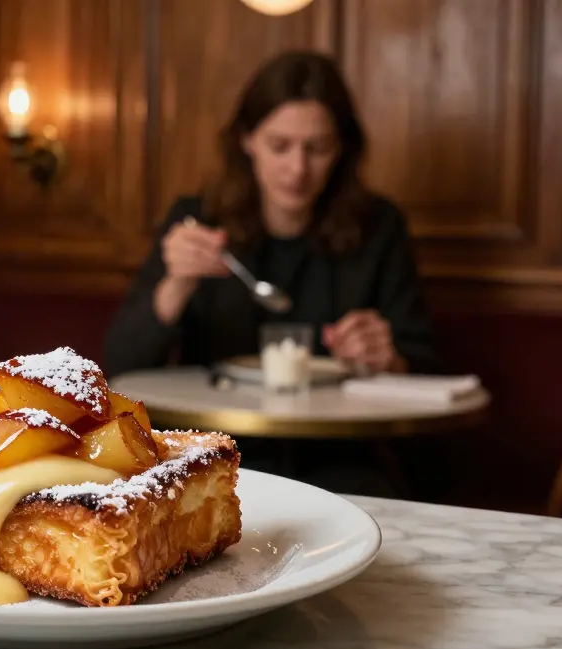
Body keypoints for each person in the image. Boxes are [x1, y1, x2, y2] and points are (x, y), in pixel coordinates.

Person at [102, 51, 444, 498]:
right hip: (214, 454)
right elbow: (120, 367)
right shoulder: (197, 220)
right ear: (247, 140)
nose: (298, 169)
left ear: (341, 148)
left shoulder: (379, 227)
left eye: (317, 148)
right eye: (280, 145)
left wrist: (387, 355)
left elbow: (425, 363)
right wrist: (176, 284)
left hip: (341, 458)